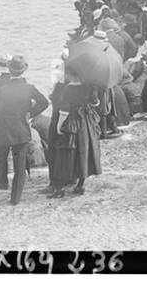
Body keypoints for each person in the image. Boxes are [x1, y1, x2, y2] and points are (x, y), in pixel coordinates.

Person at [0, 55, 48, 209]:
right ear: (24, 70)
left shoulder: (3, 89)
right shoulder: (29, 88)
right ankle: (15, 198)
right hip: (21, 129)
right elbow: (44, 102)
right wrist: (30, 112)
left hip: (3, 130)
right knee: (19, 166)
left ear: (9, 70)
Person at [46, 65, 102, 198]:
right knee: (84, 152)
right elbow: (95, 103)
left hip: (72, 122)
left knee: (66, 155)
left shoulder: (67, 89)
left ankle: (59, 189)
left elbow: (64, 110)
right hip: (86, 123)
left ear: (70, 75)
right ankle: (80, 185)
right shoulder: (88, 86)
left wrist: (59, 126)